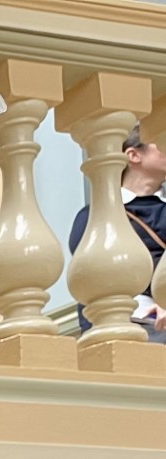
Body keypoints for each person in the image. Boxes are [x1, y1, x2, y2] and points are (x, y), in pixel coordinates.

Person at [67, 123, 166, 339]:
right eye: (160, 142)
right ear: (134, 155)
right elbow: (90, 277)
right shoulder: (94, 215)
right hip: (129, 320)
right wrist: (146, 306)